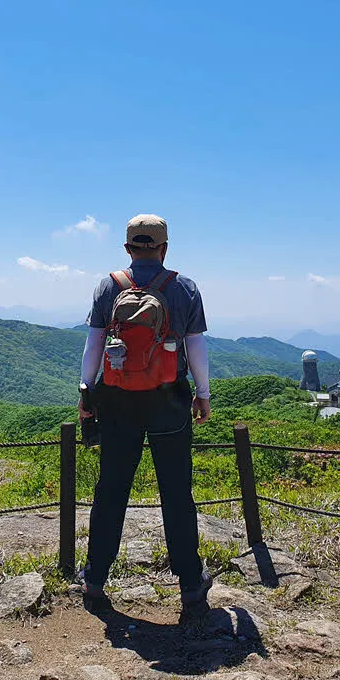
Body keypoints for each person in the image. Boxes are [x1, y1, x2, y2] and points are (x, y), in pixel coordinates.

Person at [78, 214, 213, 620]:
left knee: (112, 489)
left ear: (127, 249)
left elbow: (93, 347)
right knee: (176, 491)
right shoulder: (184, 288)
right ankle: (190, 584)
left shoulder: (109, 286)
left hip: (117, 401)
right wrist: (202, 395)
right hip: (168, 400)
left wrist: (87, 393)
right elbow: (197, 349)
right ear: (164, 248)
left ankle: (95, 578)